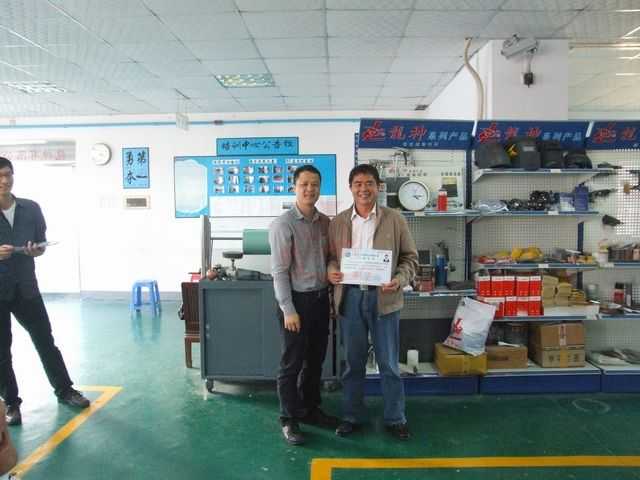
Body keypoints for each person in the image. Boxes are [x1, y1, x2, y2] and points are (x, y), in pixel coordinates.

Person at [328, 164, 418, 440]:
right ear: (350, 188)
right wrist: (331, 271)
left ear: (378, 187)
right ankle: (351, 416)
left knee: (388, 363)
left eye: (369, 183)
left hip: (384, 298)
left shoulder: (395, 219)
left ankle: (395, 418)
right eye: (358, 184)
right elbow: (331, 258)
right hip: (350, 297)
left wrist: (399, 279)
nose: (363, 189)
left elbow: (410, 259)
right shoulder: (338, 222)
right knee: (353, 363)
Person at [0, 157, 90, 427]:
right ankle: (11, 403)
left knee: (45, 342)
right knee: (2, 351)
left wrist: (36, 250)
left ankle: (65, 390)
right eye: (0, 176)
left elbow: (41, 244)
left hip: (27, 288)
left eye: (8, 174)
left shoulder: (31, 208)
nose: (5, 180)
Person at [269, 164, 339, 445]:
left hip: (320, 300)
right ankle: (288, 418)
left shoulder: (325, 223)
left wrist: (332, 271)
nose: (310, 189)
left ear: (320, 187)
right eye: (304, 184)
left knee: (315, 361)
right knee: (291, 363)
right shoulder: (283, 224)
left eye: (315, 184)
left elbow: (331, 257)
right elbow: (279, 271)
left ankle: (310, 409)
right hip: (295, 303)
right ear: (294, 187)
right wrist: (288, 309)